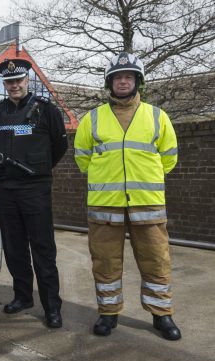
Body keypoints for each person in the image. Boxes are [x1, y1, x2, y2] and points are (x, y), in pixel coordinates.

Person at [74, 52, 181, 340]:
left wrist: (145, 181)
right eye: (118, 77)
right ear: (110, 83)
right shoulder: (92, 119)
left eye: (128, 77)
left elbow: (169, 158)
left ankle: (162, 315)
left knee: (156, 260)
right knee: (105, 261)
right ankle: (108, 314)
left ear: (137, 81)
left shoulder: (158, 116)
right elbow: (82, 159)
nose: (123, 82)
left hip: (147, 204)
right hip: (104, 207)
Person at [0, 58, 68, 328]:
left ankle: (51, 307)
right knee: (14, 248)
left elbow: (59, 146)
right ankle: (23, 296)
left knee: (43, 249)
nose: (14, 85)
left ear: (28, 80)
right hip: (6, 189)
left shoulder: (46, 111)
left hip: (35, 189)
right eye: (9, 82)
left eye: (18, 80)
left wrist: (39, 170)